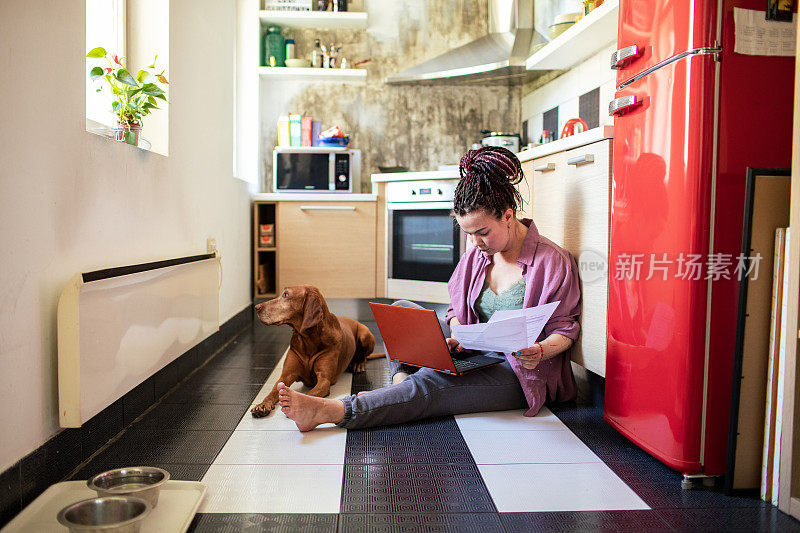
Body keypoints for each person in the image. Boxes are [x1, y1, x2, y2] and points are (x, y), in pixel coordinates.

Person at [276, 146, 582, 432]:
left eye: (483, 233)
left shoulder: (552, 261)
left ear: (507, 215)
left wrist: (539, 351)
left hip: (516, 369)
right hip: (475, 352)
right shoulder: (478, 254)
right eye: (469, 234)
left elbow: (564, 330)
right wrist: (457, 336)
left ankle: (332, 411)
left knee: (431, 384)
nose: (475, 243)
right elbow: (456, 312)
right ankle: (402, 382)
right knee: (402, 311)